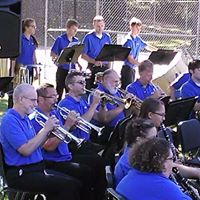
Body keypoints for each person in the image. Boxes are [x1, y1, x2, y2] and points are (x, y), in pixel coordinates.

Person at [0, 83, 81, 200]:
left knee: (75, 183)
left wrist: (48, 135)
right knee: (68, 186)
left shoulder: (26, 118)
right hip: (21, 173)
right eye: (33, 100)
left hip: (36, 168)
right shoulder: (9, 120)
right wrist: (45, 129)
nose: (35, 104)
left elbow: (36, 145)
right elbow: (25, 150)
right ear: (21, 99)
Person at [31, 83, 106, 200]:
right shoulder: (36, 118)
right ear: (40, 99)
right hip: (51, 160)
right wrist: (67, 125)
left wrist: (73, 124)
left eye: (56, 96)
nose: (56, 99)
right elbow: (49, 147)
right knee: (85, 173)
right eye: (52, 97)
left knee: (97, 162)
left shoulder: (54, 112)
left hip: (65, 155)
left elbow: (64, 134)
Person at [116, 138, 192, 200]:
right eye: (171, 159)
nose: (173, 164)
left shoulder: (129, 176)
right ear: (161, 162)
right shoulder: (164, 187)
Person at [89, 69, 130, 144]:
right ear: (105, 80)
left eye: (118, 81)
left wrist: (130, 106)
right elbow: (104, 119)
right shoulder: (97, 94)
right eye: (115, 81)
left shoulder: (115, 92)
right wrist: (121, 107)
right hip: (107, 133)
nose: (118, 84)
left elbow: (122, 113)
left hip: (120, 130)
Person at [114, 118, 157, 186]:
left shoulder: (138, 154)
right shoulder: (131, 164)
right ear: (139, 140)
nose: (156, 142)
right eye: (153, 139)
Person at [120, 17, 158, 90]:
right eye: (137, 28)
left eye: (139, 29)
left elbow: (147, 46)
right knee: (126, 90)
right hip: (127, 69)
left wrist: (158, 50)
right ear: (131, 27)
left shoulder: (137, 38)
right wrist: (142, 65)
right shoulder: (128, 41)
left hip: (133, 68)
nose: (138, 30)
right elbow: (130, 59)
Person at [51, 19, 79, 102]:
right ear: (67, 28)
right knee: (59, 89)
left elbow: (75, 55)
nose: (74, 32)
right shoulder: (60, 39)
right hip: (62, 68)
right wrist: (56, 59)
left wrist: (78, 63)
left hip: (71, 69)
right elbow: (53, 53)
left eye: (76, 30)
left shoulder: (76, 41)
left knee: (70, 90)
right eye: (73, 29)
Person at [81, 15, 112, 90]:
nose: (100, 28)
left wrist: (109, 67)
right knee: (91, 89)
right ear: (94, 25)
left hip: (105, 67)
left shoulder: (107, 37)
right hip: (93, 67)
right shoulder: (88, 37)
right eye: (98, 26)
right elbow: (83, 55)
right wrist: (94, 62)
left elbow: (110, 53)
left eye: (102, 26)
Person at [15, 18, 39, 85]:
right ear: (26, 27)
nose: (35, 28)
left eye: (35, 26)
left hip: (30, 69)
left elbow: (33, 56)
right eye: (32, 26)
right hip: (20, 69)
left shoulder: (32, 40)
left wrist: (36, 71)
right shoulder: (20, 39)